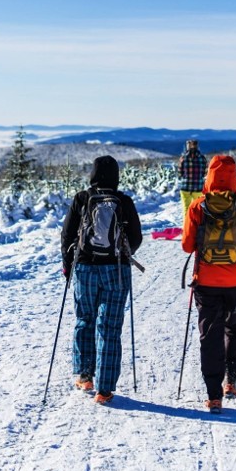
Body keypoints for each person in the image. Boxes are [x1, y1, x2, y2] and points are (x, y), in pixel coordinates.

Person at [182, 155, 236, 413]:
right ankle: (232, 380)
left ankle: (213, 395)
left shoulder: (198, 207)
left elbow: (186, 245)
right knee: (235, 328)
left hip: (206, 281)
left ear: (209, 177)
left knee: (210, 335)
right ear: (234, 178)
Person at [61, 155, 143, 405]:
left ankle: (85, 376)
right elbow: (137, 237)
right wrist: (123, 253)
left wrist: (68, 267)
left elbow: (66, 235)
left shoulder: (82, 199)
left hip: (85, 267)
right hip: (116, 269)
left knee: (85, 318)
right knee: (109, 326)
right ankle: (104, 390)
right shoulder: (124, 201)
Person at [178, 140, 208, 221]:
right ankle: (198, 228)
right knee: (198, 209)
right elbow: (205, 173)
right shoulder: (202, 158)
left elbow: (180, 173)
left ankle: (187, 228)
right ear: (197, 146)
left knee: (186, 209)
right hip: (198, 188)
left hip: (185, 187)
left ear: (187, 146)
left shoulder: (183, 158)